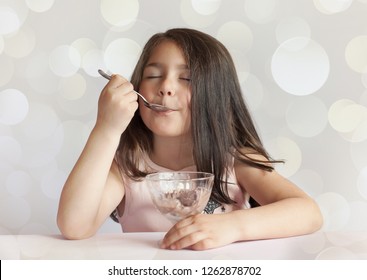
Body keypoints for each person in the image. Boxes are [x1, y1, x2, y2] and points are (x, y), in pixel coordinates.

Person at [57, 28, 323, 250]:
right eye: (153, 75)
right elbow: (74, 225)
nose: (166, 87)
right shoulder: (127, 166)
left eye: (186, 78)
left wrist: (233, 226)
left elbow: (308, 212)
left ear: (216, 96)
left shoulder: (234, 160)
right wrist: (106, 129)